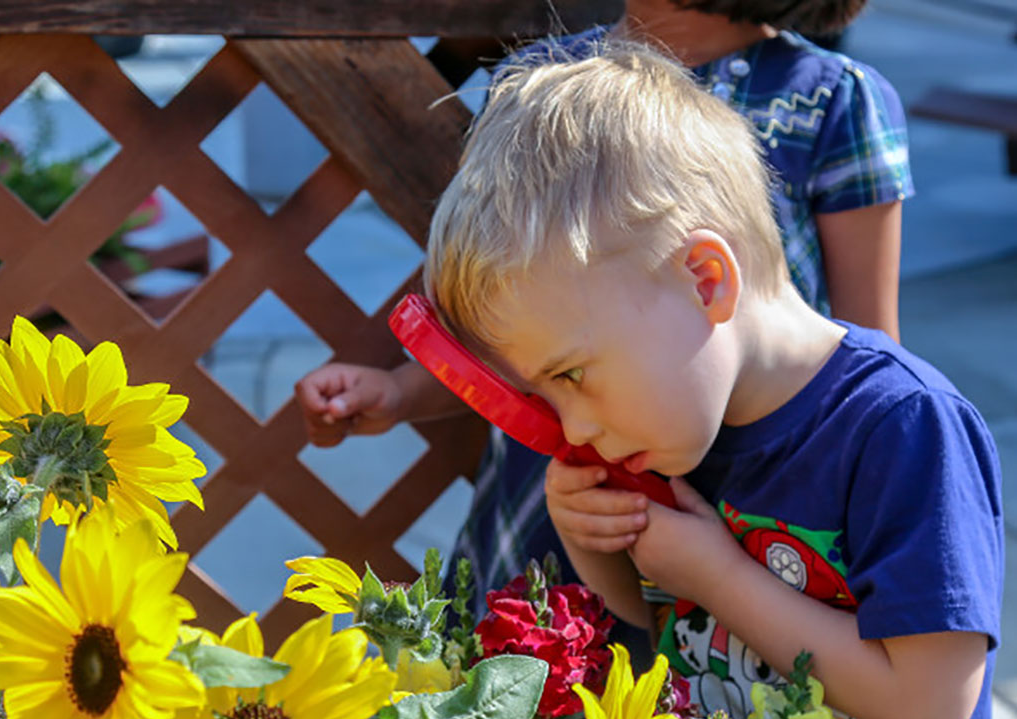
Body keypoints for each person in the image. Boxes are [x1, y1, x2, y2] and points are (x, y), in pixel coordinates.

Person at [424, 39, 1005, 719]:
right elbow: (656, 637)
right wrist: (599, 552)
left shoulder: (901, 427)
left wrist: (719, 577)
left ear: (705, 279)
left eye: (573, 373)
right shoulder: (672, 423)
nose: (572, 425)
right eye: (544, 395)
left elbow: (930, 701)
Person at [294, 0, 914, 619]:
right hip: (557, 512)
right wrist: (402, 391)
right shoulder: (536, 82)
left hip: (749, 528)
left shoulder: (831, 101)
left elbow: (865, 360)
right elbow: (514, 321)